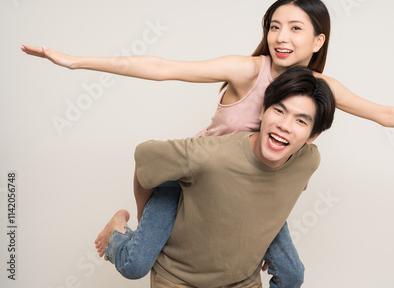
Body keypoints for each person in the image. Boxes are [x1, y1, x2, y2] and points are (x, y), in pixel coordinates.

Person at [21, 0, 394, 287]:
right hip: (194, 181)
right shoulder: (250, 70)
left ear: (318, 40)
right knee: (137, 262)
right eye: (273, 26)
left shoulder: (319, 90)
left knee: (292, 275)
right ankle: (119, 229)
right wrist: (76, 61)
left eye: (295, 28)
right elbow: (162, 67)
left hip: (253, 194)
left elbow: (387, 113)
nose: (281, 37)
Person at [108, 66, 335, 287]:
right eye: (279, 111)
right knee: (134, 265)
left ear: (313, 135)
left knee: (294, 275)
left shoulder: (308, 161)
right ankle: (115, 233)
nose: (285, 126)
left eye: (301, 121)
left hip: (243, 281)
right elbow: (144, 156)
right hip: (178, 279)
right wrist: (142, 212)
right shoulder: (209, 156)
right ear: (263, 110)